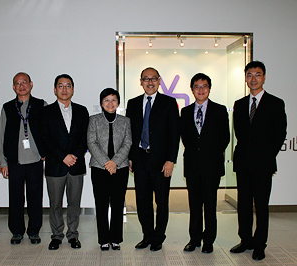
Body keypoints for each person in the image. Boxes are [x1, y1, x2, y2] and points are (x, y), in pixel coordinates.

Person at [230, 61, 287, 260]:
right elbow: (240, 133)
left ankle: (260, 244)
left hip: (263, 164)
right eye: (249, 75)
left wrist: (266, 155)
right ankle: (245, 240)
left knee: (261, 205)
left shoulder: (275, 103)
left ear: (264, 77)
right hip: (243, 162)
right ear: (245, 78)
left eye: (257, 74)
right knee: (244, 204)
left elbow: (280, 134)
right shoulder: (240, 104)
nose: (253, 79)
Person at [126, 67, 180, 251]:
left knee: (162, 201)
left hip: (161, 161)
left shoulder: (169, 103)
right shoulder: (132, 104)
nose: (150, 82)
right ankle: (147, 235)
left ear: (159, 81)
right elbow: (130, 134)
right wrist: (131, 158)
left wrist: (171, 160)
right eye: (146, 79)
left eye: (153, 79)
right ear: (140, 82)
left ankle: (159, 236)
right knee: (142, 200)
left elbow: (174, 134)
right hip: (140, 160)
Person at [180, 73, 230, 254]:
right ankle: (194, 239)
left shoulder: (219, 110)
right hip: (193, 165)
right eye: (197, 87)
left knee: (210, 204)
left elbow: (225, 138)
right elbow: (186, 138)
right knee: (194, 205)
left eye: (204, 86)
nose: (200, 90)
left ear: (209, 88)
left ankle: (208, 240)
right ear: (192, 89)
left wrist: (209, 154)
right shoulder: (185, 112)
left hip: (212, 165)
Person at [41, 74, 89, 250]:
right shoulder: (46, 112)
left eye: (68, 86)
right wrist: (62, 156)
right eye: (60, 86)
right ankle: (57, 235)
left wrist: (74, 155)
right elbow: (45, 138)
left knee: (74, 203)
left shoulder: (82, 111)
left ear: (73, 89)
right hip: (55, 165)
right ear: (55, 90)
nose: (64, 89)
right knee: (55, 204)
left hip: (76, 164)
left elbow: (86, 138)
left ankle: (73, 235)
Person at [0, 72, 46, 245]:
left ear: (31, 84)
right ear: (13, 87)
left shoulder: (41, 105)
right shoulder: (7, 107)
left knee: (35, 197)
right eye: (17, 83)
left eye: (24, 82)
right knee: (16, 198)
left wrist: (46, 150)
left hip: (35, 160)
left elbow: (48, 131)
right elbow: (1, 137)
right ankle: (17, 231)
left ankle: (34, 231)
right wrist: (3, 162)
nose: (21, 85)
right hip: (14, 161)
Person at [87, 88, 132, 251]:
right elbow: (91, 143)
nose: (110, 103)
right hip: (100, 168)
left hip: (120, 168)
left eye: (113, 100)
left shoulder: (125, 121)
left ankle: (116, 239)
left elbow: (128, 143)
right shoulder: (94, 120)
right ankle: (104, 239)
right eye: (107, 100)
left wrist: (115, 162)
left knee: (118, 203)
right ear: (101, 103)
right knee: (101, 203)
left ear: (118, 102)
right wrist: (107, 162)